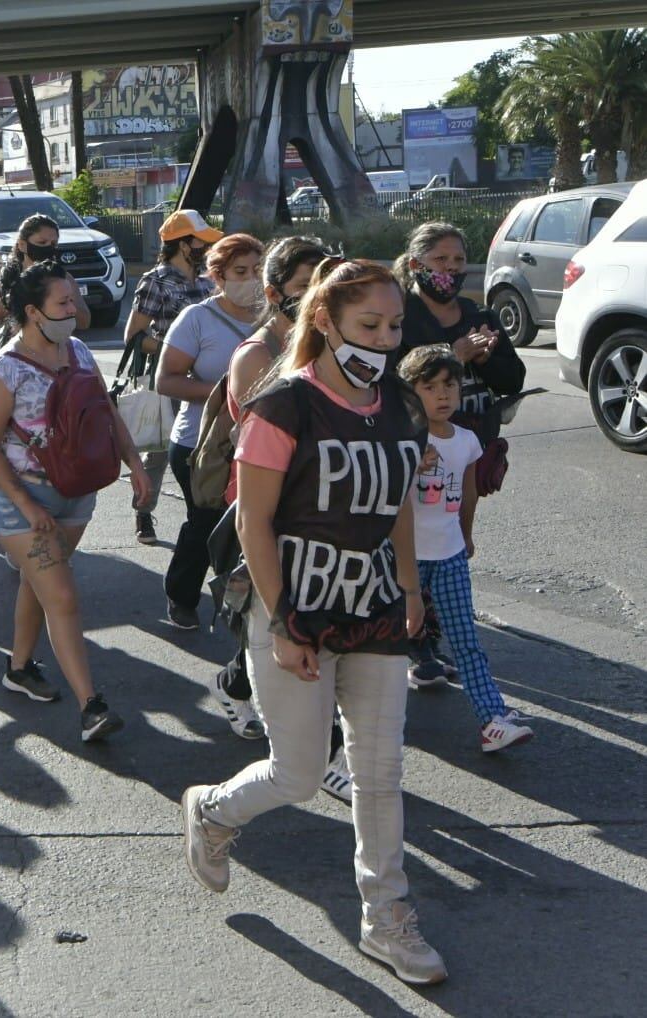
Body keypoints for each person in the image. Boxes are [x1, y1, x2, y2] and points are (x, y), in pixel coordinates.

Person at [182, 258, 448, 987]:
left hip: (376, 608)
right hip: (295, 607)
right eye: (370, 325)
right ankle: (212, 811)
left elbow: (395, 500)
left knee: (379, 770)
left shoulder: (399, 405)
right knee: (299, 773)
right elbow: (255, 523)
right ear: (325, 320)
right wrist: (286, 622)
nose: (385, 340)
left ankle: (386, 917)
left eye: (395, 326)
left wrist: (409, 582)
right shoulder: (282, 406)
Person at [0, 260, 151, 742]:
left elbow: (106, 410)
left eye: (73, 300)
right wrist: (27, 506)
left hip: (75, 494)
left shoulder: (77, 350)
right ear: (33, 311)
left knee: (41, 585)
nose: (74, 309)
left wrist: (134, 463)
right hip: (21, 501)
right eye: (64, 303)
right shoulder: (4, 370)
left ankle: (18, 668)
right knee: (64, 595)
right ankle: (91, 706)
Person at [209, 236, 331, 742]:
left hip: (323, 509)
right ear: (274, 290)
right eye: (304, 286)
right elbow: (270, 443)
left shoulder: (335, 346)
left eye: (322, 285)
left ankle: (235, 686)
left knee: (302, 623)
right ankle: (319, 753)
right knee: (273, 618)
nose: (316, 296)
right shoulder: (256, 355)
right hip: (267, 514)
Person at [398, 344, 534, 751]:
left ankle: (492, 718)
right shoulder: (404, 443)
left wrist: (467, 534)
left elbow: (469, 494)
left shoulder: (468, 441)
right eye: (430, 387)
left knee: (465, 640)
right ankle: (367, 720)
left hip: (450, 555)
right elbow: (392, 505)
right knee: (383, 640)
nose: (443, 395)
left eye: (450, 385)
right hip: (405, 559)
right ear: (411, 394)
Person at [157, 232, 264, 631]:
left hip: (260, 440)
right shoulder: (197, 318)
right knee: (208, 523)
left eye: (256, 270)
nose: (250, 278)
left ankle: (245, 608)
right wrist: (229, 392)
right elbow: (166, 380)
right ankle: (182, 595)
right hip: (201, 443)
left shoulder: (275, 316)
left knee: (254, 525)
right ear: (217, 275)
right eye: (240, 271)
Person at [122, 209, 221, 544]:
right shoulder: (156, 280)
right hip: (172, 378)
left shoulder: (207, 280)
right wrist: (174, 349)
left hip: (207, 378)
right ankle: (143, 512)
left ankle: (203, 516)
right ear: (181, 244)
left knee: (209, 446)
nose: (206, 247)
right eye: (200, 241)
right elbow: (133, 336)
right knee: (161, 452)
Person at [393, 221, 526, 425]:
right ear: (415, 265)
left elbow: (512, 384)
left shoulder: (481, 317)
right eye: (441, 259)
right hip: (425, 448)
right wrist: (453, 357)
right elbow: (387, 390)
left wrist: (486, 361)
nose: (452, 266)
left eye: (459, 259)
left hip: (481, 446)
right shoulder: (397, 319)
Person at [0, 214, 91, 349]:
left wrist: (61, 303)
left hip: (53, 352)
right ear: (22, 245)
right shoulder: (1, 274)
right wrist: (22, 295)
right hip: (10, 350)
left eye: (53, 244)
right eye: (41, 243)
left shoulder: (63, 278)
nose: (48, 248)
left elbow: (84, 321)